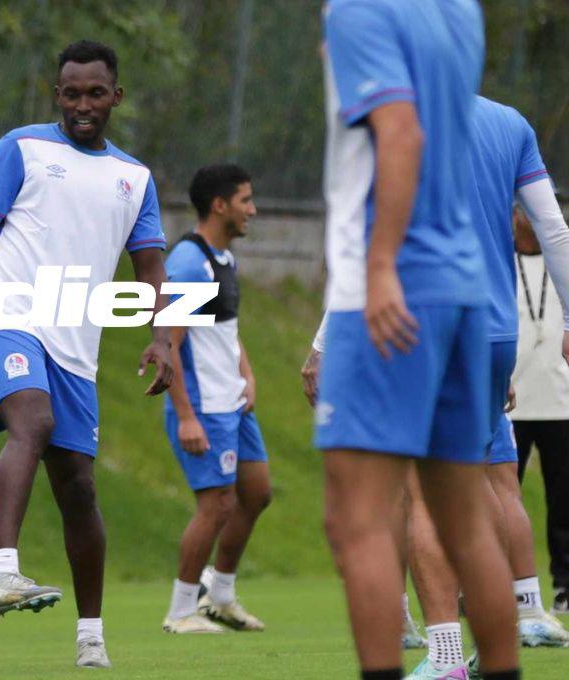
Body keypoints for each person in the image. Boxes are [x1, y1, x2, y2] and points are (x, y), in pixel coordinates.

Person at [0, 40, 172, 669]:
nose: (82, 105)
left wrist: (163, 339)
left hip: (75, 347)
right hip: (6, 316)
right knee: (31, 422)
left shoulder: (135, 178)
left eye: (96, 93)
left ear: (116, 97)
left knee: (80, 491)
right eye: (71, 93)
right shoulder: (22, 148)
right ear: (56, 94)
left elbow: (152, 270)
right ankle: (2, 570)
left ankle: (91, 638)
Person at [316, 2, 521, 679]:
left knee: (359, 520)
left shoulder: (359, 9)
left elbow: (401, 134)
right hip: (466, 286)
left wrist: (379, 267)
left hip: (395, 285)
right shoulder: (458, 8)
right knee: (465, 518)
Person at [160, 164, 270, 634]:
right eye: (245, 200)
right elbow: (170, 342)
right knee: (217, 505)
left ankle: (220, 596)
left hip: (233, 401)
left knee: (256, 493)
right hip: (204, 406)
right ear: (220, 205)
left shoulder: (225, 259)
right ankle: (181, 611)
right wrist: (185, 415)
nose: (253, 209)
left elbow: (225, 328)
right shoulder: (189, 261)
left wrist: (246, 372)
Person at [510, 206, 569, 616]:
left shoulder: (563, 262)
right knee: (500, 499)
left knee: (563, 503)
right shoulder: (498, 258)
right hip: (508, 403)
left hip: (560, 400)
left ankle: (564, 586)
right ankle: (502, 588)